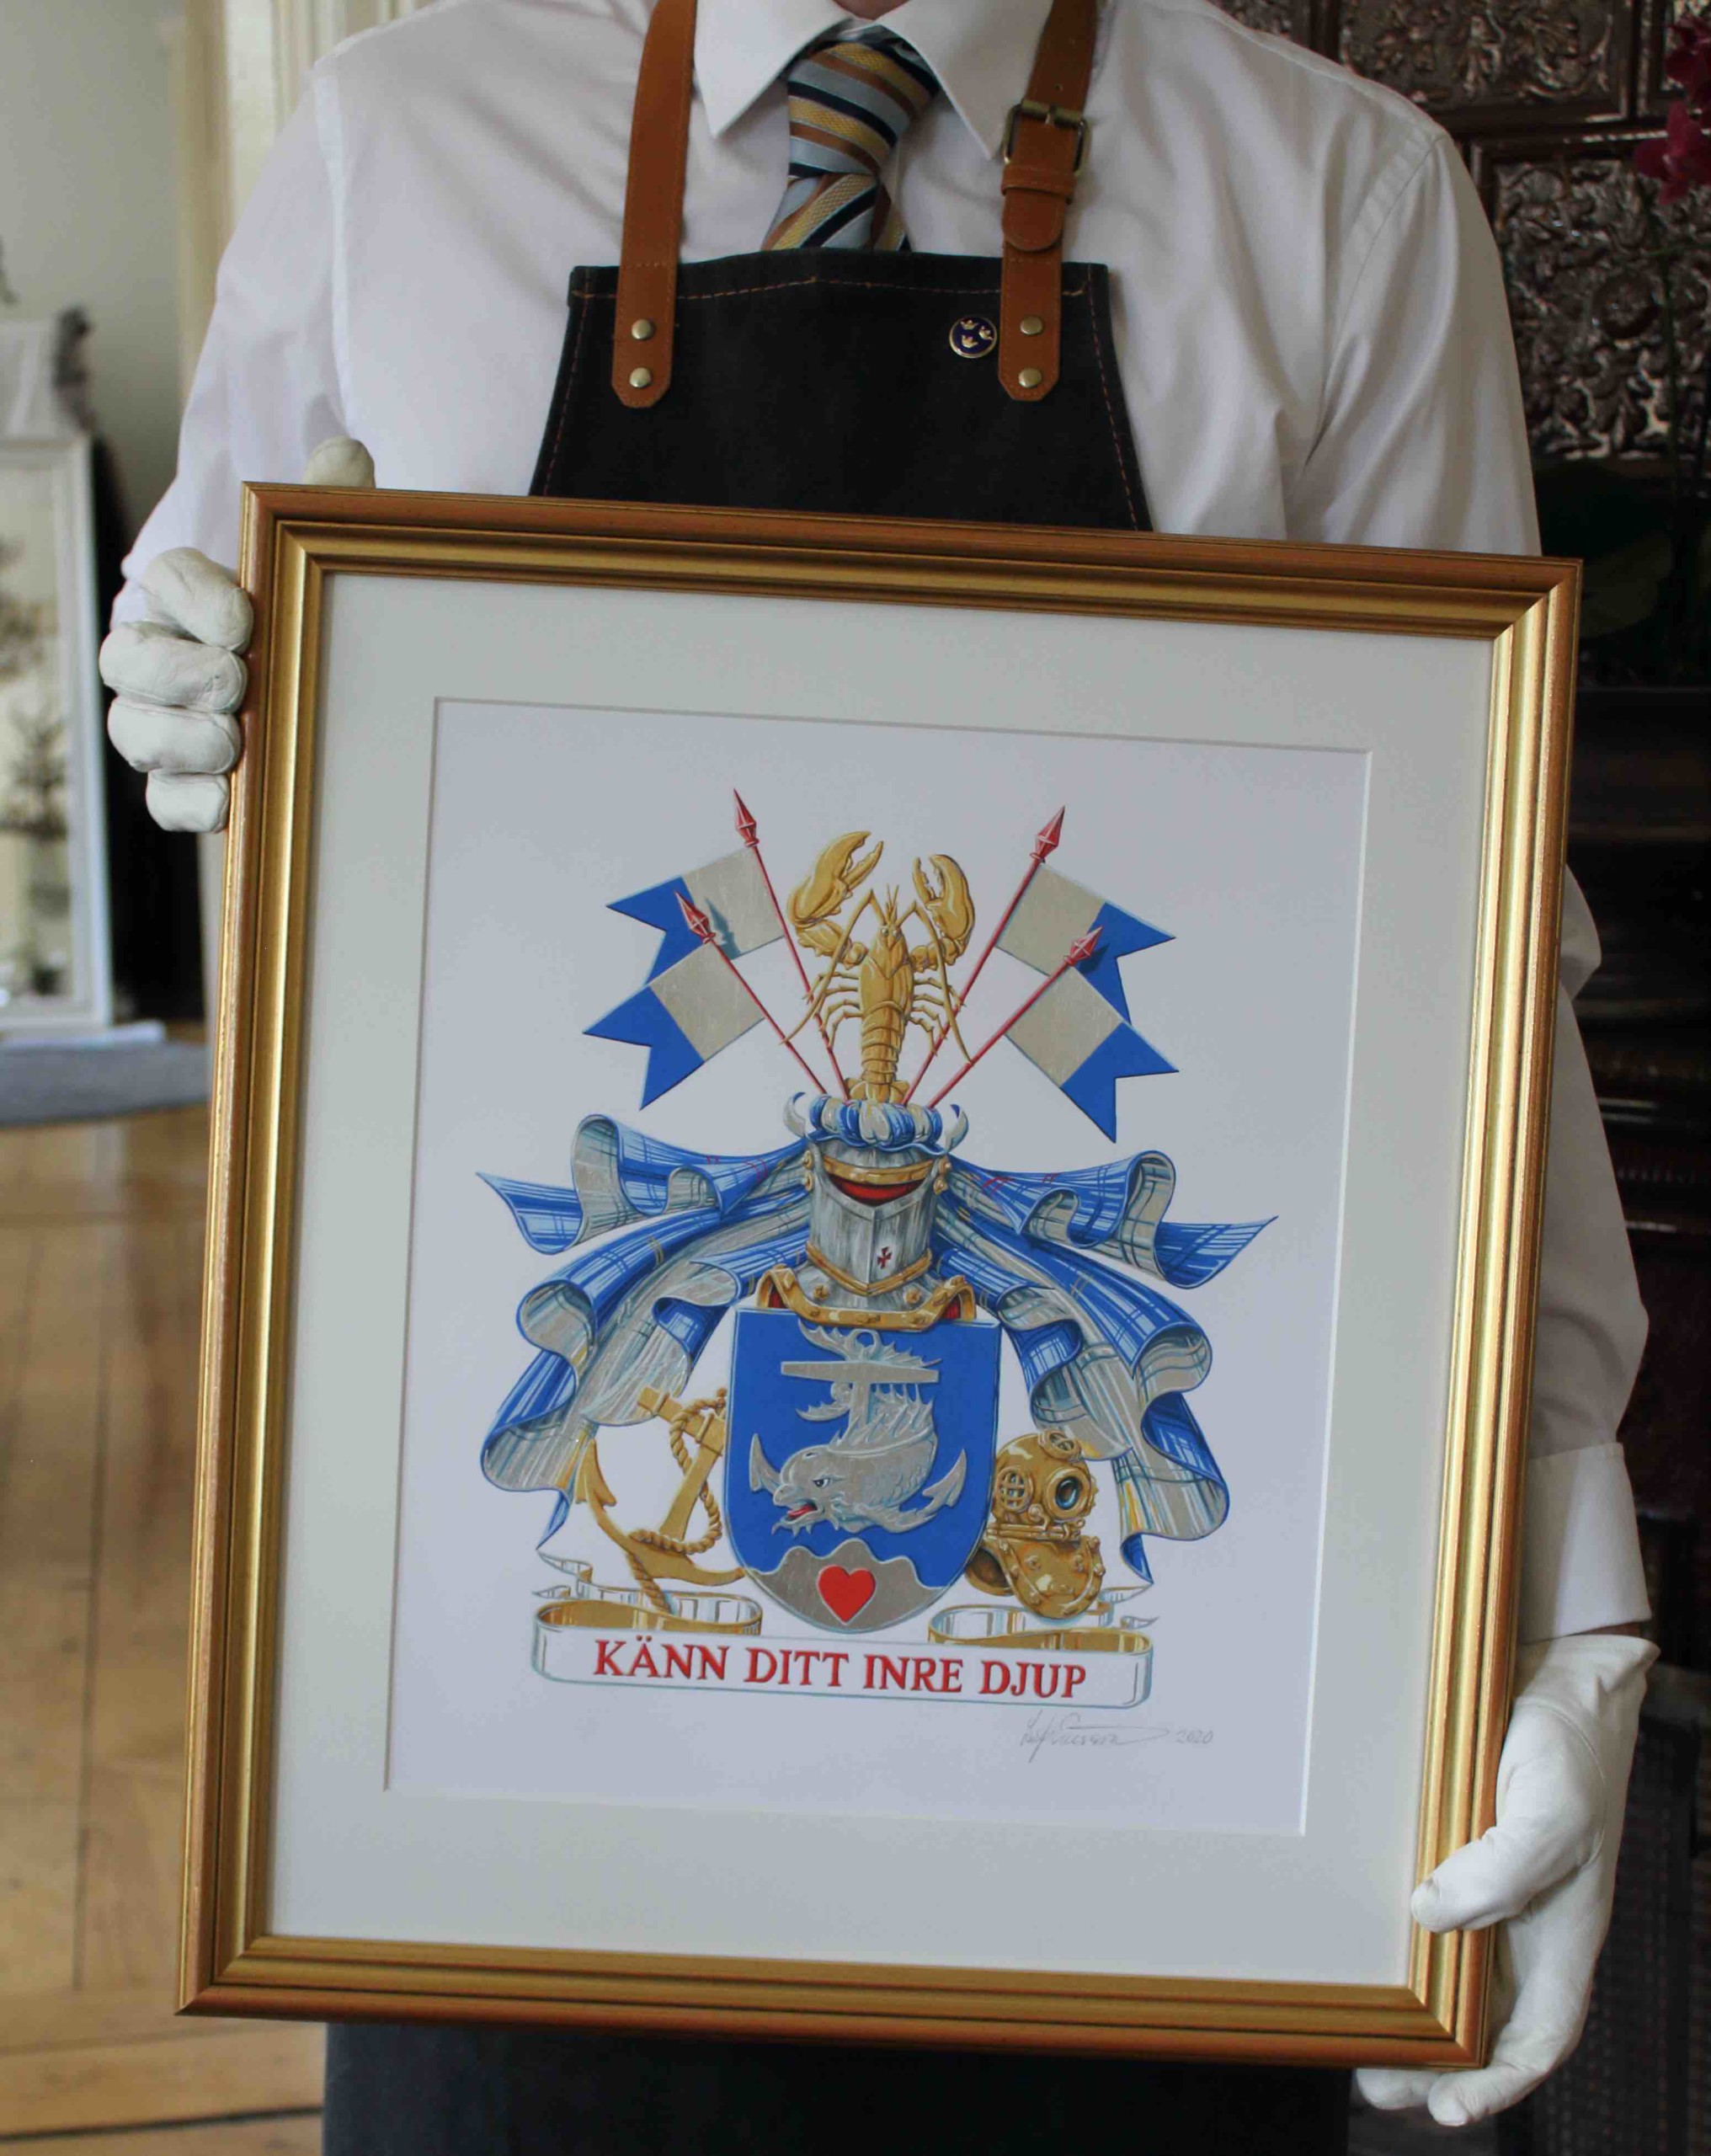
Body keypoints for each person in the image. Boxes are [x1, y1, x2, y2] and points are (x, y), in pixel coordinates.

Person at [99, 1, 1656, 2146]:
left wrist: (1566, 1600)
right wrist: (196, 705)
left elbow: (1476, 939)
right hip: (500, 1771)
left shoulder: (1338, 194)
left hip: (1160, 1769)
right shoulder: (394, 139)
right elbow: (237, 676)